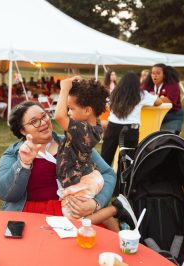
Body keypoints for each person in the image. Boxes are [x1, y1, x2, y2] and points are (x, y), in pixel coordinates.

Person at [0, 101, 116, 220]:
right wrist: (23, 164)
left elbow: (108, 174)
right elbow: (4, 193)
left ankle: (116, 211)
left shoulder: (74, 142)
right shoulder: (14, 153)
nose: (43, 123)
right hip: (29, 214)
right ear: (22, 130)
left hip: (72, 211)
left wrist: (95, 203)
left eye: (44, 116)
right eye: (34, 121)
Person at [55, 77, 136, 231]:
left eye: (71, 109)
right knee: (90, 209)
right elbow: (93, 102)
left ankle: (118, 209)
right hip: (88, 176)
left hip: (81, 181)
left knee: (76, 218)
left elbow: (59, 116)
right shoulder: (95, 124)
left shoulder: (81, 130)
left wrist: (64, 87)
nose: (69, 113)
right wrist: (84, 87)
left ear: (87, 110)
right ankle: (121, 228)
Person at [101, 72, 162, 166]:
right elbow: (159, 102)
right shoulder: (141, 94)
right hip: (130, 129)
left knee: (106, 157)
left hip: (112, 126)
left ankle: (104, 179)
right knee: (126, 161)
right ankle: (123, 180)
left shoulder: (115, 92)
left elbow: (109, 105)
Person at [143, 63, 183, 134]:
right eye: (152, 73)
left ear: (164, 75)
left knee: (167, 139)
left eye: (158, 73)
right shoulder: (148, 84)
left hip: (171, 116)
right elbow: (140, 96)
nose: (154, 76)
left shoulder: (173, 85)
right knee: (151, 139)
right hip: (153, 116)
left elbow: (168, 100)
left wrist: (149, 99)